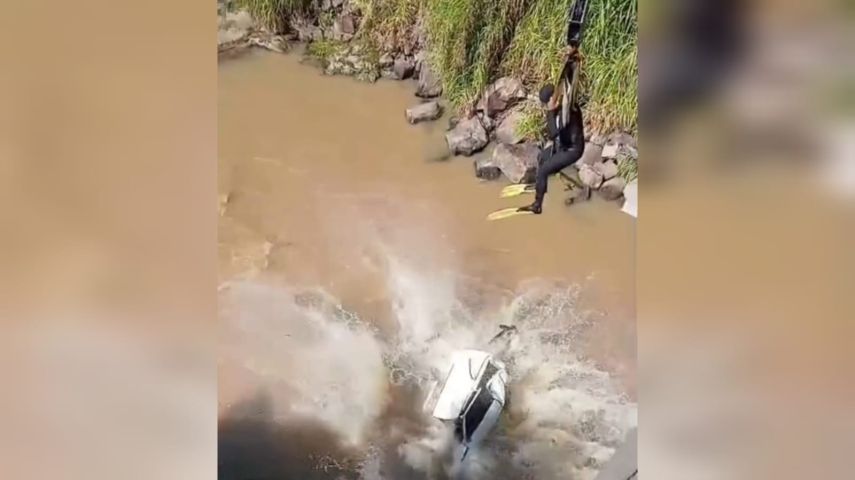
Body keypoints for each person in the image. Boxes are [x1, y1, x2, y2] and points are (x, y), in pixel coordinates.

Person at [519, 62, 585, 214]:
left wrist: (550, 111)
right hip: (563, 145)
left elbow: (553, 133)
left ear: (551, 99)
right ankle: (541, 186)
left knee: (543, 170)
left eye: (546, 104)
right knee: (541, 157)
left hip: (572, 150)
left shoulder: (568, 109)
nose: (545, 107)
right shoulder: (558, 106)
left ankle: (537, 206)